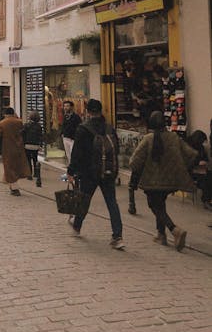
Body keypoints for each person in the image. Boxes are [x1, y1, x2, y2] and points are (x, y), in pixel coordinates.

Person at [129, 111, 197, 250]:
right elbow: (191, 155)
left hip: (151, 182)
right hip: (170, 182)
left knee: (155, 206)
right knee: (160, 205)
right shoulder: (173, 137)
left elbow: (134, 161)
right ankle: (161, 235)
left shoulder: (148, 139)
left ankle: (174, 230)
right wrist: (181, 168)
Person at [67, 98, 125, 249]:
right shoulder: (109, 128)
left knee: (84, 200)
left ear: (87, 111)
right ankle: (117, 236)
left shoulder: (83, 129)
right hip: (107, 172)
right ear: (101, 111)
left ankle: (77, 226)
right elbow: (116, 148)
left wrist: (71, 171)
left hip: (89, 172)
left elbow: (76, 153)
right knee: (112, 203)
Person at [0, 107, 30, 196]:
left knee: (9, 167)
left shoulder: (2, 123)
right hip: (18, 146)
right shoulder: (19, 121)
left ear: (5, 114)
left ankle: (15, 188)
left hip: (7, 148)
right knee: (16, 166)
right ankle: (12, 185)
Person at [187, 130, 212, 210]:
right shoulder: (187, 147)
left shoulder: (201, 148)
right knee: (206, 179)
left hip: (200, 170)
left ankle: (207, 199)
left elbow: (205, 158)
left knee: (209, 175)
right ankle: (206, 200)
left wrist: (205, 162)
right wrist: (197, 162)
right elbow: (185, 162)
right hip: (190, 171)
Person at [22, 111, 44, 187]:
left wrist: (23, 143)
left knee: (28, 160)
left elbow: (22, 134)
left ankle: (29, 174)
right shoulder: (39, 126)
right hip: (35, 145)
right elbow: (40, 136)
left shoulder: (26, 125)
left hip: (27, 144)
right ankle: (36, 173)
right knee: (35, 159)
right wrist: (40, 145)